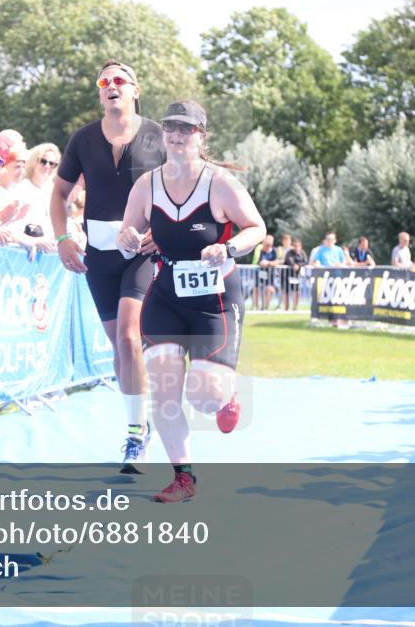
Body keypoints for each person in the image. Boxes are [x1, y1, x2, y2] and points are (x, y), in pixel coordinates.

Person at [118, 100, 266, 502]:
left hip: (214, 300)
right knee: (164, 393)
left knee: (204, 397)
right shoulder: (146, 185)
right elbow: (128, 231)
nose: (177, 135)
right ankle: (184, 478)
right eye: (171, 128)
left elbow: (257, 227)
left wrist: (231, 247)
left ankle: (226, 395)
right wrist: (128, 237)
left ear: (202, 135)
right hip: (166, 293)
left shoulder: (219, 184)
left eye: (187, 129)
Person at [50, 60, 165, 474]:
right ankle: (142, 419)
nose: (111, 85)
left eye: (120, 80)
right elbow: (60, 192)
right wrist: (63, 238)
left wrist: (165, 231)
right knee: (119, 346)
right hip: (99, 256)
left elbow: (182, 187)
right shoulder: (82, 139)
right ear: (100, 92)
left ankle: (135, 435)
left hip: (142, 252)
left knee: (130, 337)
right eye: (104, 81)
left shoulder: (157, 136)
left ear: (135, 89)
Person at [252, 234, 278, 310]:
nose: (270, 243)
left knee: (270, 290)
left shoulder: (274, 251)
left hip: (270, 274)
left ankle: (266, 306)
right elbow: (259, 262)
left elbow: (276, 262)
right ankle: (257, 307)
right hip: (260, 273)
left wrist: (268, 263)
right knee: (256, 289)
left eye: (271, 241)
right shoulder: (260, 250)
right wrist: (265, 263)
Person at [283, 237, 308, 310]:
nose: (297, 248)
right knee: (287, 292)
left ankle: (295, 307)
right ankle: (286, 307)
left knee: (297, 292)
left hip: (296, 275)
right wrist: (293, 265)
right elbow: (289, 260)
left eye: (298, 246)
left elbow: (306, 261)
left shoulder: (302, 253)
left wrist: (299, 265)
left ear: (300, 246)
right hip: (287, 275)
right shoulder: (289, 252)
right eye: (295, 246)